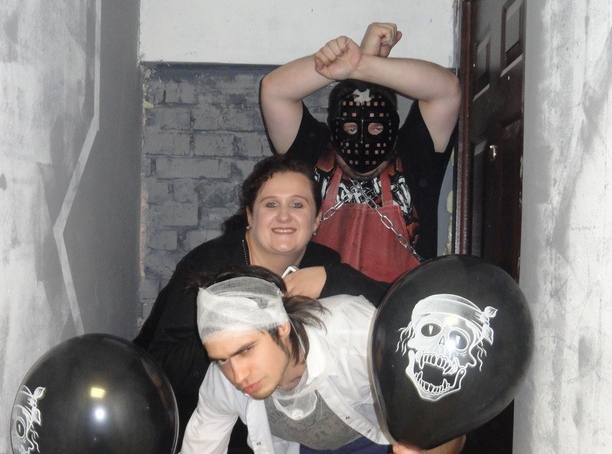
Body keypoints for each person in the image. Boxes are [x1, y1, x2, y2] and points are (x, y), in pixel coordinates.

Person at [134, 154, 389, 451]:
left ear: (317, 218)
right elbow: (163, 364)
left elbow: (395, 315)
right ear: (250, 216)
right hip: (185, 409)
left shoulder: (324, 264)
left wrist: (334, 279)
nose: (284, 216)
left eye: (297, 205)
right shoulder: (209, 267)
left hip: (294, 423)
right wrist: (237, 335)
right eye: (271, 204)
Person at [182, 266, 466, 454]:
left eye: (246, 349)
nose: (238, 374)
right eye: (221, 359)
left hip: (378, 440)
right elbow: (202, 443)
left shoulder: (358, 335)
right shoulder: (222, 378)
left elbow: (448, 422)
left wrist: (423, 448)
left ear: (281, 327)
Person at [260, 22, 462, 283]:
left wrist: (362, 64)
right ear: (336, 128)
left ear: (392, 127)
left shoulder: (415, 156)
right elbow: (274, 90)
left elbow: (446, 90)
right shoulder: (311, 153)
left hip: (398, 305)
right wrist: (346, 66)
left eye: (376, 128)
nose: (364, 141)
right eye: (351, 128)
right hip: (318, 304)